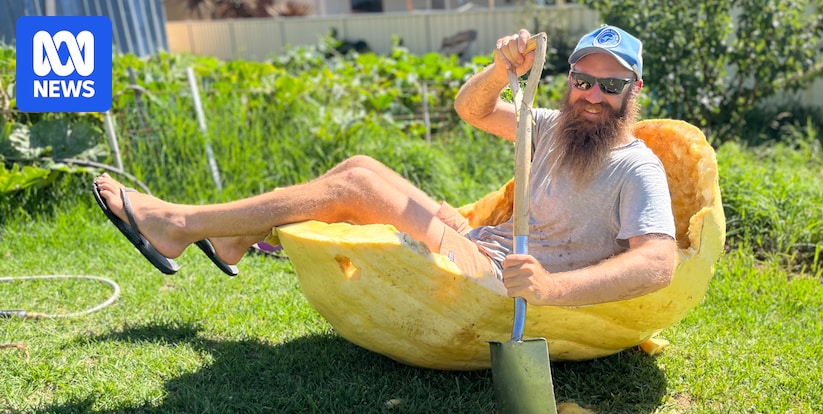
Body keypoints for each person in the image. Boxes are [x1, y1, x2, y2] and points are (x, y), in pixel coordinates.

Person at [93, 25, 677, 308]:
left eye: (610, 84)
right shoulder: (548, 124)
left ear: (633, 89)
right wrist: (502, 71)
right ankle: (236, 239)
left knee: (356, 185)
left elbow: (657, 263)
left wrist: (550, 288)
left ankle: (181, 225)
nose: (592, 95)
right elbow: (471, 109)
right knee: (359, 164)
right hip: (482, 246)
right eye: (582, 79)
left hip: (508, 286)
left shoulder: (636, 169)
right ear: (569, 78)